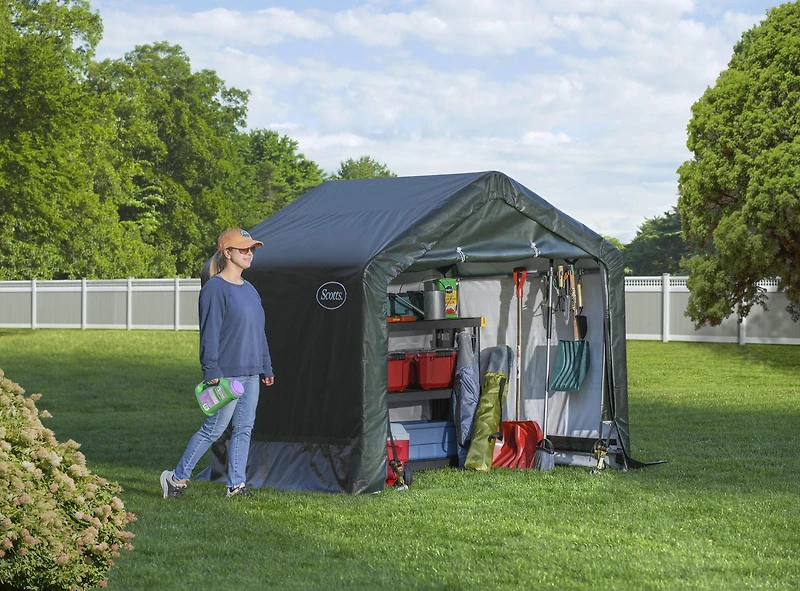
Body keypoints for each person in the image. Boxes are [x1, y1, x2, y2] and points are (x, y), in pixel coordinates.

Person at [161, 228, 275, 499]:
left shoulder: (250, 289)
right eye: (244, 249)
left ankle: (236, 485)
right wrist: (210, 368)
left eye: (252, 249)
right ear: (227, 252)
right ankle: (175, 479)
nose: (250, 253)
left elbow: (258, 332)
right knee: (214, 429)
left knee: (244, 430)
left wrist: (266, 366)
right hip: (227, 375)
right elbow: (209, 332)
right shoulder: (215, 289)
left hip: (252, 372)